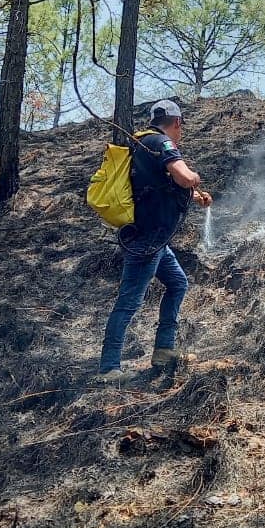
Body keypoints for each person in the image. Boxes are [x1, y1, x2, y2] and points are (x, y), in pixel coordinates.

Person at [98, 100, 213, 384]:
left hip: (152, 238)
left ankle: (163, 350)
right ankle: (108, 367)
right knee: (129, 301)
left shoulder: (141, 144)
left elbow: (157, 187)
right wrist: (195, 179)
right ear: (177, 123)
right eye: (181, 126)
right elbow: (184, 177)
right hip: (148, 240)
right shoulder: (162, 143)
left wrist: (196, 197)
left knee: (177, 283)